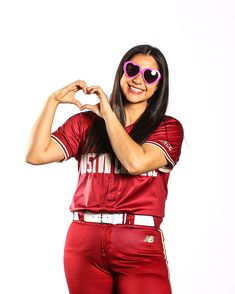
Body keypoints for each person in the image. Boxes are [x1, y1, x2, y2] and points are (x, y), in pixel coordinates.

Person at [26, 44, 184, 294]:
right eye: (132, 70)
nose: (138, 80)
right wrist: (52, 101)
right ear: (121, 73)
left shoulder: (167, 128)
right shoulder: (85, 124)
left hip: (138, 243)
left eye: (150, 75)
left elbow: (135, 163)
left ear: (158, 86)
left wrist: (108, 114)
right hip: (83, 241)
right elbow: (36, 154)